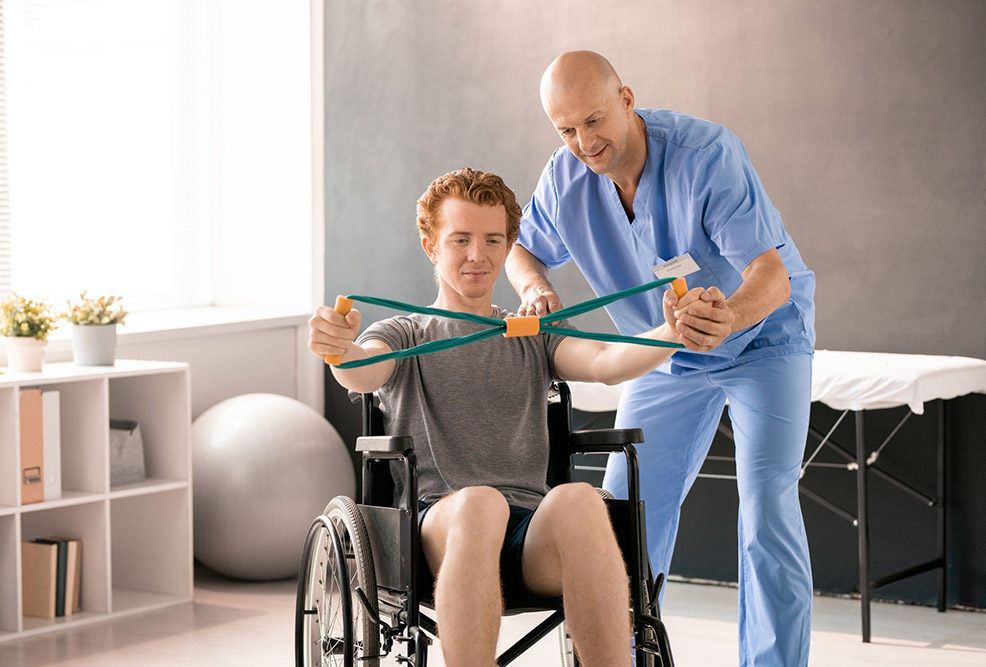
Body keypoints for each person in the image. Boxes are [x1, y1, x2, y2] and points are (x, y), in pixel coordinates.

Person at [308, 168, 712, 667]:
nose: (478, 255)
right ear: (431, 245)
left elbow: (607, 362)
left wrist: (671, 332)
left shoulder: (533, 332)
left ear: (508, 245)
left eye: (492, 240)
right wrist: (339, 350)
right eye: (460, 239)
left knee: (582, 499)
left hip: (526, 536)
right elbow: (362, 371)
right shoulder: (404, 332)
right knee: (480, 504)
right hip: (436, 531)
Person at [506, 51, 816, 667]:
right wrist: (533, 286)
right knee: (622, 516)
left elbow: (770, 275)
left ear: (626, 98)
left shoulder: (706, 156)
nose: (584, 142)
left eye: (594, 121)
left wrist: (729, 315)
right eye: (565, 130)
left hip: (763, 340)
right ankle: (624, 658)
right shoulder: (565, 177)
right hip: (667, 352)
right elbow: (521, 250)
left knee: (766, 507)